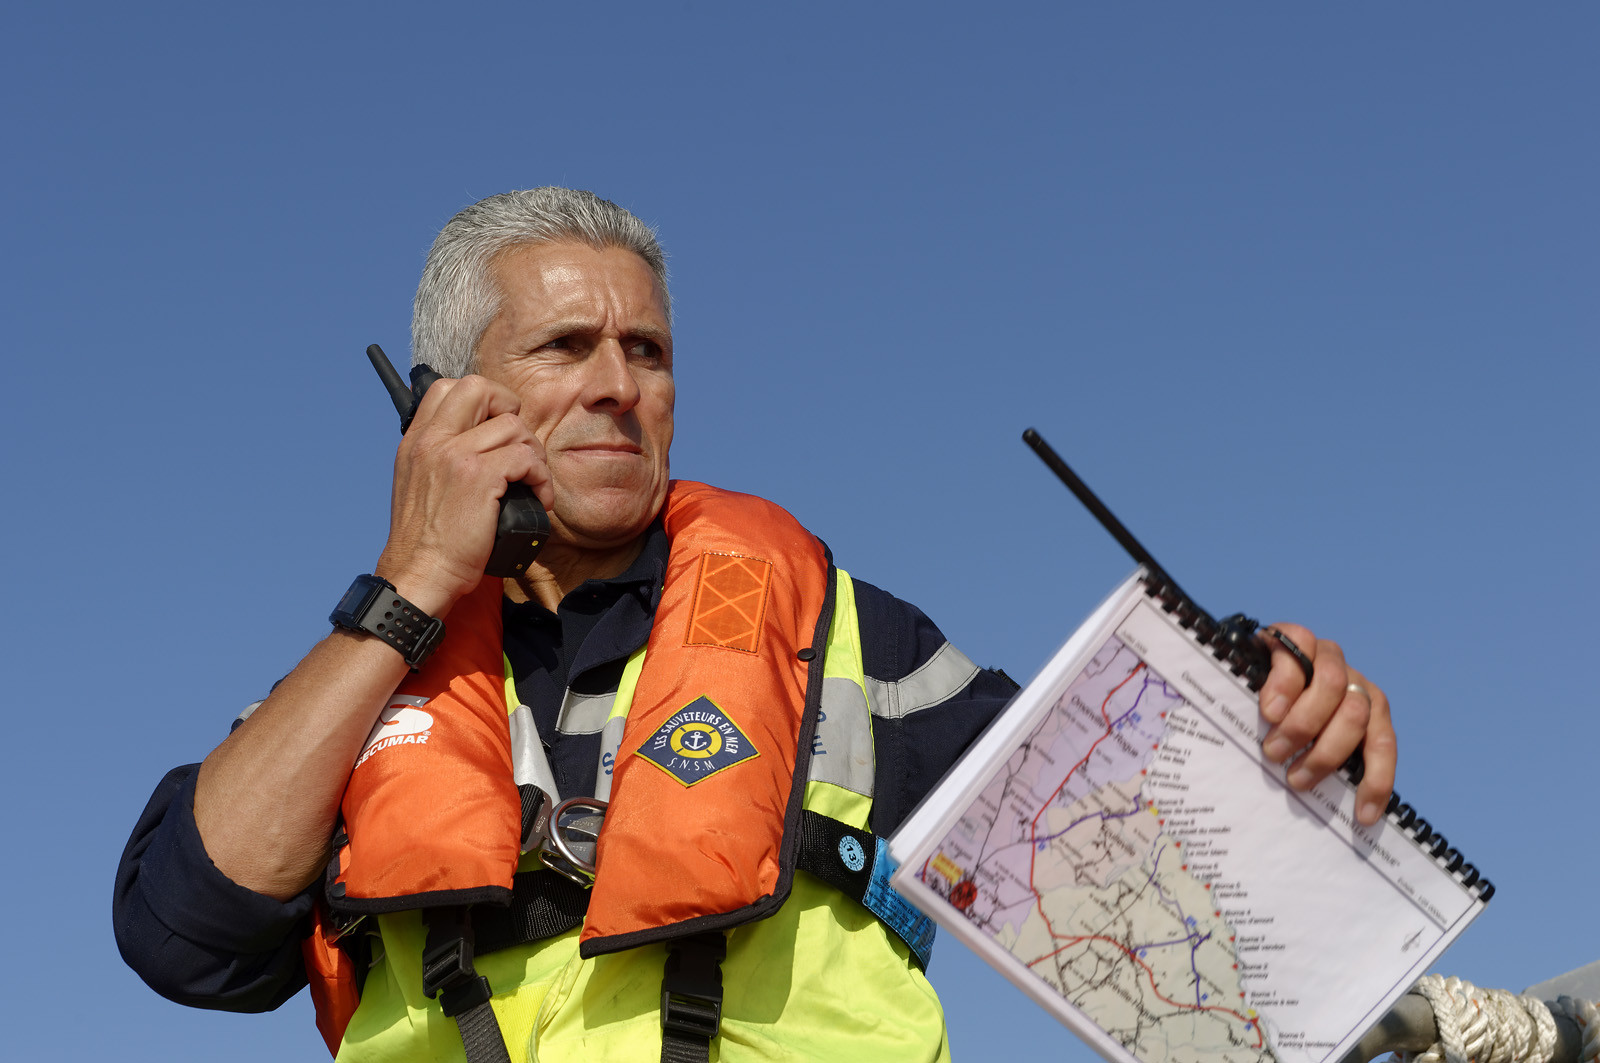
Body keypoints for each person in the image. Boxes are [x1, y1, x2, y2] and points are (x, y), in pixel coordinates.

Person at [114, 188, 1397, 1063]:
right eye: (567, 346)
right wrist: (407, 588)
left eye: (650, 352)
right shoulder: (357, 685)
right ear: (447, 402)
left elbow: (1157, 873)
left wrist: (1277, 719)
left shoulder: (843, 632)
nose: (621, 387)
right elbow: (185, 934)